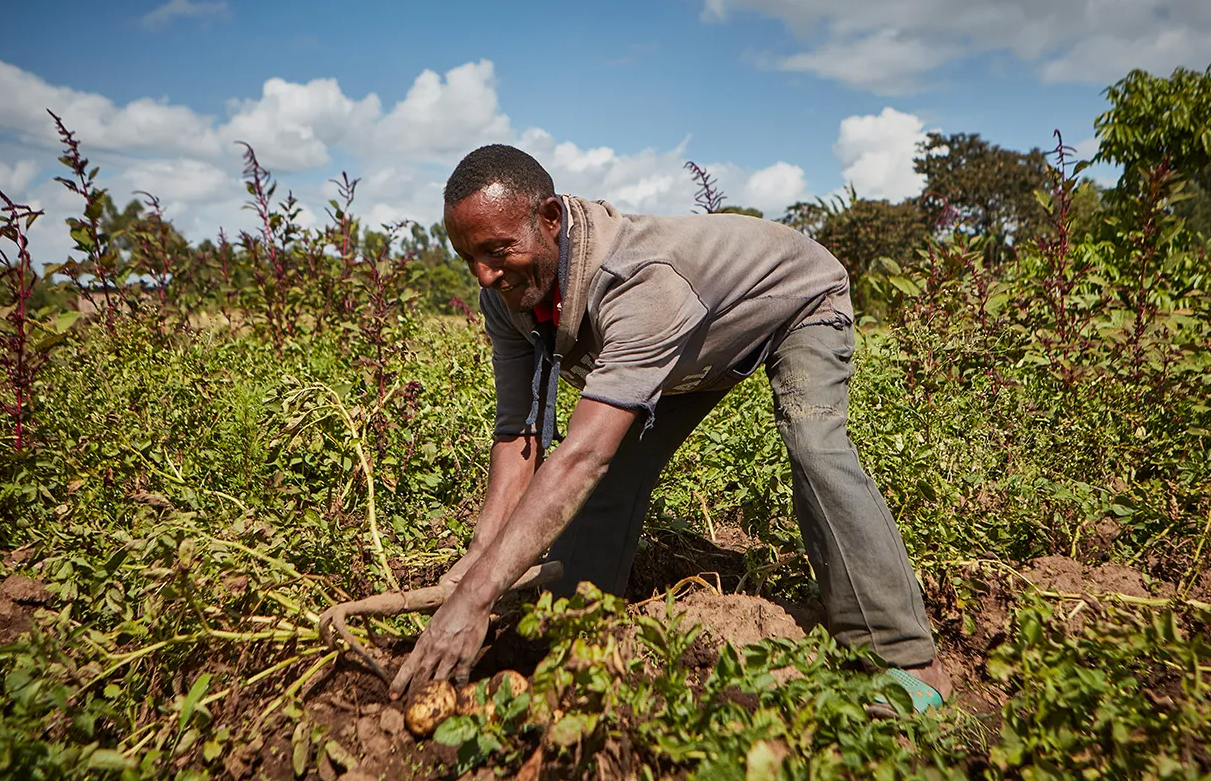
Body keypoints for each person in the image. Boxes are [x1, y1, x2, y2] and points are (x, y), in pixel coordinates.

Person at [390, 144, 949, 712]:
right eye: (468, 257)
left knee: (814, 445)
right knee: (609, 484)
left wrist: (479, 594)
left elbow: (583, 454)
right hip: (694, 339)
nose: (485, 273)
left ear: (551, 219)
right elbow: (519, 429)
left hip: (794, 302)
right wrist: (478, 566)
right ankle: (566, 635)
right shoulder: (506, 294)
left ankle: (903, 656)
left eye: (498, 250)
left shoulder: (641, 283)